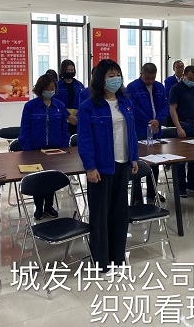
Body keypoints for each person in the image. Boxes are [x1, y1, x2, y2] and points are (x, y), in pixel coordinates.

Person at [78, 59, 138, 272]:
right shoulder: (88, 106)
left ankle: (117, 258)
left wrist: (134, 157)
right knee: (100, 216)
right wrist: (90, 167)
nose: (116, 79)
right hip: (101, 167)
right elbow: (84, 139)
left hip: (123, 163)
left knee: (119, 214)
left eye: (118, 75)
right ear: (100, 79)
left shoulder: (125, 102)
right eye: (111, 75)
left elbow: (131, 132)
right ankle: (101, 262)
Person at [18, 73, 69, 219]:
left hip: (55, 150)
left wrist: (64, 146)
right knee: (38, 180)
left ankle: (49, 207)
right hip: (35, 150)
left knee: (50, 179)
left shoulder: (59, 106)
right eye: (47, 88)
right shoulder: (30, 106)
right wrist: (28, 150)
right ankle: (39, 208)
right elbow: (25, 130)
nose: (50, 91)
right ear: (40, 89)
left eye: (53, 88)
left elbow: (64, 129)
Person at [126, 63, 169, 204]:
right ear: (141, 74)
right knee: (137, 163)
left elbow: (165, 105)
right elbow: (133, 108)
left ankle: (152, 192)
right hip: (139, 130)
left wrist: (158, 120)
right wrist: (150, 122)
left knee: (155, 162)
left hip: (156, 130)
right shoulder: (132, 87)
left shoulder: (159, 87)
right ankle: (137, 195)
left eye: (152, 78)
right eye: (147, 78)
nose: (150, 81)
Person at [168, 65, 194, 197]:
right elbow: (172, 109)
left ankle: (192, 184)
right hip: (184, 125)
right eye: (190, 78)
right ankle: (180, 187)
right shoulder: (176, 89)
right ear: (184, 76)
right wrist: (179, 127)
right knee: (181, 158)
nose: (192, 81)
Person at [55, 59, 85, 136]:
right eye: (68, 70)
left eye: (72, 70)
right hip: (62, 117)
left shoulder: (79, 85)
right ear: (63, 70)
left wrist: (77, 116)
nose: (70, 72)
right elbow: (55, 103)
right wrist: (68, 115)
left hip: (77, 119)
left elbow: (84, 102)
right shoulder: (57, 86)